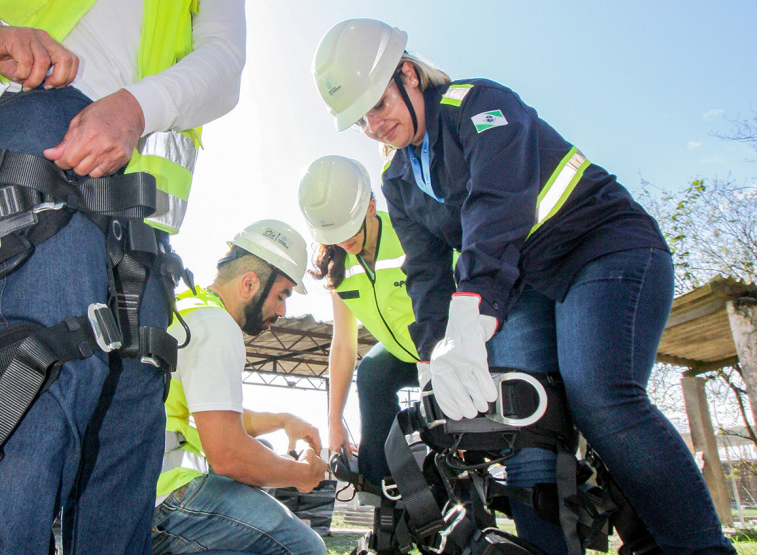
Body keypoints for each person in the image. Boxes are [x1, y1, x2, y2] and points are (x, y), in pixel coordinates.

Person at [311, 18, 734, 555]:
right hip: (529, 282)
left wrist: (475, 314)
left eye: (378, 103)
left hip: (604, 247)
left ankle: (697, 549)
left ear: (409, 75)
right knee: (520, 424)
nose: (373, 124)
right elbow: (426, 273)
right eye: (360, 119)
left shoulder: (480, 104)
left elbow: (499, 202)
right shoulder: (398, 179)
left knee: (599, 394)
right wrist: (435, 354)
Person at [0, 1, 246, 553]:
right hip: (30, 104)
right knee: (40, 366)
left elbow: (224, 58)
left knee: (134, 400)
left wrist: (134, 109)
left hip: (136, 165)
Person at [153, 219, 327, 555]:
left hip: (143, 491)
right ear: (249, 283)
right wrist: (301, 475)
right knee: (304, 547)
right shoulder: (219, 329)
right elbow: (230, 456)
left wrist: (282, 419)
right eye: (281, 294)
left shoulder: (190, 309)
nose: (283, 310)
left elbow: (216, 413)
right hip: (167, 502)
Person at [298, 155, 420, 488]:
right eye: (333, 231)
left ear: (370, 205)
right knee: (372, 373)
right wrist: (334, 419)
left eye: (348, 226)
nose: (344, 240)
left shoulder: (409, 230)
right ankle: (380, 486)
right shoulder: (339, 265)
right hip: (403, 353)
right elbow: (343, 344)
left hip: (444, 344)